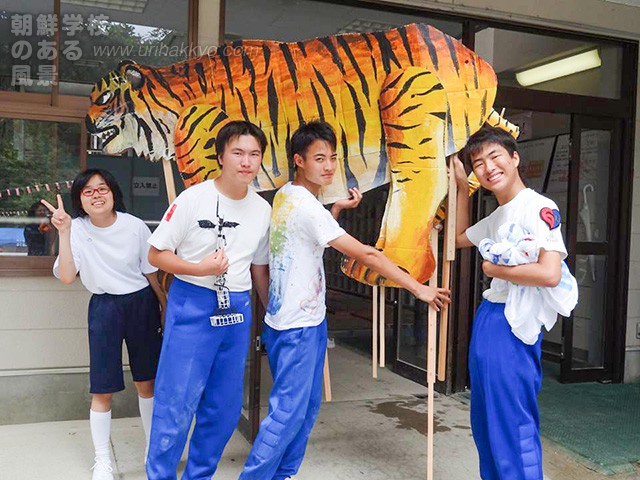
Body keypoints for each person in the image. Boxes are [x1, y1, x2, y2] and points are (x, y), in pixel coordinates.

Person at [239, 121, 451, 480]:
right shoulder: (306, 207)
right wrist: (419, 288)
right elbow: (368, 255)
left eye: (333, 158)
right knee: (288, 412)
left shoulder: (285, 196)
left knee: (303, 409)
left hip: (290, 321)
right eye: (319, 158)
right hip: (299, 328)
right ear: (298, 160)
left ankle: (283, 475)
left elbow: (295, 244)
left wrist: (334, 211)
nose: (329, 166)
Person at [145, 121, 271, 480]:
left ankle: (198, 475)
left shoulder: (262, 209)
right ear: (220, 156)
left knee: (224, 406)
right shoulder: (193, 198)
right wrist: (198, 268)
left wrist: (271, 312)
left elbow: (259, 266)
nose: (246, 162)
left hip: (238, 306)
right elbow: (156, 254)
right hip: (192, 301)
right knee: (176, 402)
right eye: (238, 153)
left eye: (254, 154)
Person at [453, 125, 568, 480]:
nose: (488, 168)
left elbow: (550, 273)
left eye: (495, 156)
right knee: (485, 419)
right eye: (478, 163)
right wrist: (461, 189)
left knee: (512, 420)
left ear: (515, 157)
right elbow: (459, 238)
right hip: (490, 317)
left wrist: (492, 266)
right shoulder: (496, 215)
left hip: (515, 324)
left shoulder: (539, 207)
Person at [43, 168, 164, 480]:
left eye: (102, 189)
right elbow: (68, 276)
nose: (96, 195)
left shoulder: (135, 226)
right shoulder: (77, 228)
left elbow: (150, 272)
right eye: (88, 191)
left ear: (113, 193)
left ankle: (154, 455)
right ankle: (102, 461)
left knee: (147, 382)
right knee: (102, 388)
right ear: (79, 200)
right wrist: (64, 231)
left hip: (141, 303)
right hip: (104, 307)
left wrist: (163, 305)